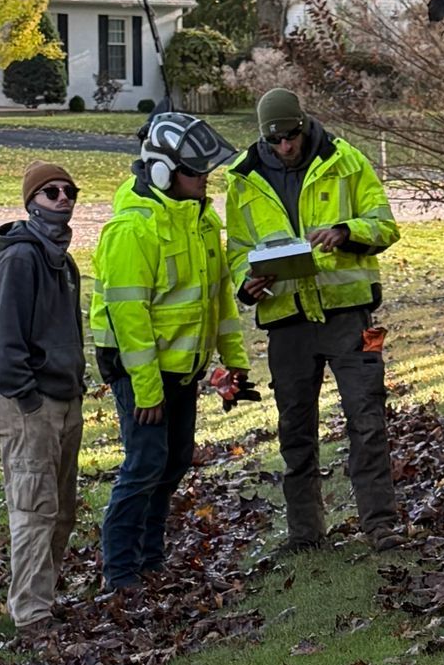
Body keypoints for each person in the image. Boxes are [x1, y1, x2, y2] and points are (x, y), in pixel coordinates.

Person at [226, 85, 403, 556]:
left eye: (293, 136)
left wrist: (346, 232)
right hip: (287, 322)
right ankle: (305, 534)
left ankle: (381, 524)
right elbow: (237, 252)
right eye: (276, 140)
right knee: (295, 430)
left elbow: (385, 224)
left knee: (367, 420)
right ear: (263, 137)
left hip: (349, 316)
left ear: (305, 125)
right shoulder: (242, 179)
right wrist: (247, 282)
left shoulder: (346, 161)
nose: (287, 146)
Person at [90, 111, 253, 597]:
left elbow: (219, 297)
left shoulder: (200, 220)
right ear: (161, 170)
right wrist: (146, 389)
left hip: (184, 368)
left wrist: (234, 361)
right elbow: (129, 317)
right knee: (144, 463)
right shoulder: (133, 229)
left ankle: (150, 559)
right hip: (140, 372)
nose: (205, 180)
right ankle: (120, 572)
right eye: (195, 171)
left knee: (175, 460)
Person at [0, 160, 85, 639]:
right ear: (31, 202)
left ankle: (44, 599)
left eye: (68, 191)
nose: (62, 199)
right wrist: (27, 399)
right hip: (29, 404)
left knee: (61, 510)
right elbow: (3, 343)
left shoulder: (63, 261)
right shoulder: (19, 259)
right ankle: (31, 615)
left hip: (65, 400)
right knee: (33, 509)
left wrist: (75, 390)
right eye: (51, 193)